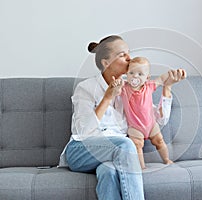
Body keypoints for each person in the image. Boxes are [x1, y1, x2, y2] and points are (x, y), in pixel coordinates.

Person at [58, 35, 186, 200]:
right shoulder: (86, 88)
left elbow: (158, 120)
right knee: (125, 144)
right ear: (106, 63)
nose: (129, 58)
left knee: (109, 172)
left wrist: (167, 88)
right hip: (81, 151)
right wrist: (108, 97)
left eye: (129, 53)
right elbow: (83, 131)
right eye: (122, 55)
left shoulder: (130, 90)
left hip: (113, 155)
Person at [112, 57, 184, 169]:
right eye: (131, 73)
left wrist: (174, 72)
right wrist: (116, 83)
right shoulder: (125, 88)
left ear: (147, 77)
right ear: (127, 74)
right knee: (137, 145)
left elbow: (161, 78)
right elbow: (115, 87)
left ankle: (167, 159)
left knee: (159, 141)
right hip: (135, 126)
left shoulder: (149, 86)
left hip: (151, 124)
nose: (135, 76)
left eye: (140, 74)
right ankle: (141, 166)